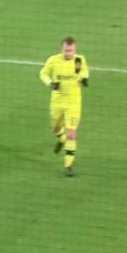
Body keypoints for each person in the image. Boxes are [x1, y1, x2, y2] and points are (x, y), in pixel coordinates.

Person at [40, 37, 89, 176]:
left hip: (73, 102)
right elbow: (43, 73)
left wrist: (84, 78)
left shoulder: (79, 60)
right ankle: (62, 139)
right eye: (66, 50)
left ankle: (68, 165)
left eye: (71, 50)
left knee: (71, 134)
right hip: (57, 101)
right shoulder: (54, 60)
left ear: (75, 49)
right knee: (55, 127)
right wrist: (50, 83)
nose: (69, 53)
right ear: (62, 49)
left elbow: (84, 71)